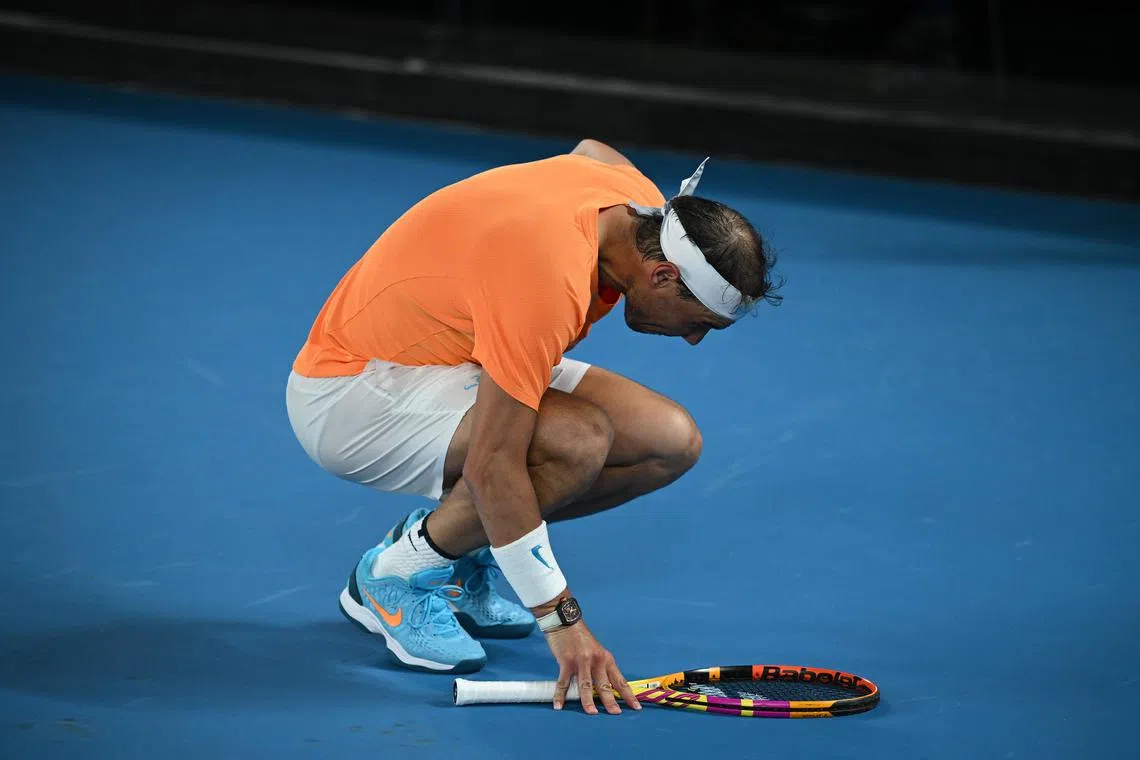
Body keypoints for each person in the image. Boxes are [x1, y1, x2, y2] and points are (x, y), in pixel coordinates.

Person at [285, 138, 780, 715]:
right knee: (575, 442)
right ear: (664, 275)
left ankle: (460, 546)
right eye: (700, 323)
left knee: (669, 442)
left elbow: (594, 151)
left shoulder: (637, 206)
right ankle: (393, 578)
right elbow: (492, 467)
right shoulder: (546, 280)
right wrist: (563, 622)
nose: (694, 340)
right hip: (351, 395)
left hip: (450, 352)